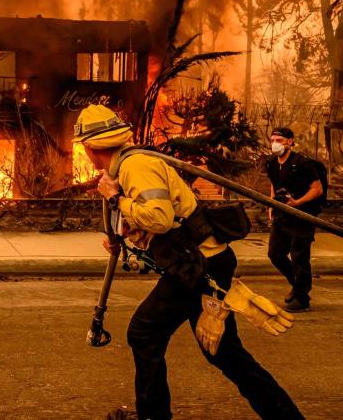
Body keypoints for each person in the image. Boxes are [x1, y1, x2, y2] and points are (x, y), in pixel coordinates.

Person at [73, 104, 303, 420]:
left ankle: (153, 415)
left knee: (144, 332)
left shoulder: (134, 166)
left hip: (198, 265)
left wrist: (116, 199)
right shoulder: (127, 165)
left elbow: (160, 218)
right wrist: (124, 231)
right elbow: (154, 215)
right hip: (203, 261)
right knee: (224, 353)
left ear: (89, 147)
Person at [265, 127, 324, 312]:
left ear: (290, 141)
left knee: (299, 257)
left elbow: (317, 189)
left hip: (302, 216)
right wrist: (270, 205)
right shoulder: (272, 163)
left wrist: (297, 202)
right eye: (273, 140)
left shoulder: (303, 163)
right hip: (281, 216)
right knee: (275, 254)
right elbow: (274, 186)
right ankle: (298, 287)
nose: (275, 144)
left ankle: (302, 299)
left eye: (280, 140)